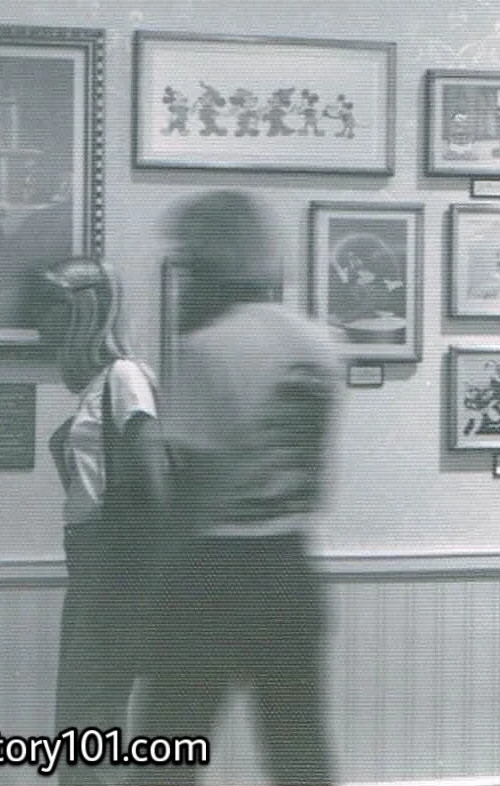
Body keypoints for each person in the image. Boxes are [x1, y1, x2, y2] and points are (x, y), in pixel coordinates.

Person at [131, 191, 343, 786]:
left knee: (163, 756)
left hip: (216, 571)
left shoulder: (209, 350)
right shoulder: (318, 345)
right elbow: (319, 479)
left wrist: (153, 579)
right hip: (292, 566)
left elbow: (194, 490)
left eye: (189, 260)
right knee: (299, 756)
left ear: (209, 262)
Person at [38, 257, 166, 786]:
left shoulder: (125, 377)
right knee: (80, 720)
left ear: (85, 311)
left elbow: (155, 481)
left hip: (116, 569)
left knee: (89, 719)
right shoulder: (95, 388)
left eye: (55, 308)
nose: (43, 322)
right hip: (91, 567)